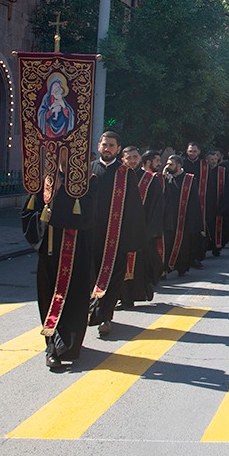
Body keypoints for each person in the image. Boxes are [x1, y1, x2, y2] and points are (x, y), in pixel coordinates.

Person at [21, 162, 95, 370]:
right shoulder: (45, 183)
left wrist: (59, 213)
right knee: (50, 298)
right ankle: (52, 347)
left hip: (77, 253)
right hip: (50, 254)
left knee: (74, 300)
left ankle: (70, 344)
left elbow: (90, 217)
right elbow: (28, 215)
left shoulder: (87, 183)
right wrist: (45, 220)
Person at [86, 131, 146, 338]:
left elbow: (134, 208)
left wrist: (131, 239)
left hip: (116, 236)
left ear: (118, 149)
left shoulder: (125, 173)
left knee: (113, 278)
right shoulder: (88, 170)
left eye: (111, 145)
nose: (107, 148)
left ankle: (106, 317)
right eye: (104, 144)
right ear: (98, 146)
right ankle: (93, 310)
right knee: (91, 276)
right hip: (90, 234)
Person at [122, 147, 164, 305]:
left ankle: (140, 290)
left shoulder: (150, 180)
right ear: (123, 159)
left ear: (140, 158)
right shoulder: (119, 177)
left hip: (142, 230)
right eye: (129, 158)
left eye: (135, 157)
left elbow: (157, 206)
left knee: (140, 265)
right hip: (120, 230)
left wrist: (152, 231)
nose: (132, 161)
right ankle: (124, 298)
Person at [163, 154, 203, 276]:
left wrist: (192, 221)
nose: (167, 166)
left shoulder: (189, 180)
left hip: (184, 218)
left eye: (171, 164)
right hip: (170, 218)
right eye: (167, 164)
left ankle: (182, 267)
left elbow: (194, 202)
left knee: (184, 246)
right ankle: (166, 268)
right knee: (168, 243)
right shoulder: (166, 178)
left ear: (179, 165)